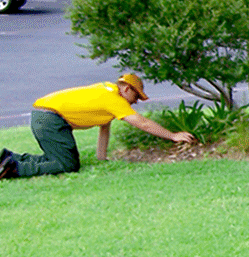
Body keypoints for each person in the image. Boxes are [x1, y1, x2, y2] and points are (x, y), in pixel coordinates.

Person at [0, 73, 195, 179]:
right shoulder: (114, 99)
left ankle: (9, 158)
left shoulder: (106, 90)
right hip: (50, 118)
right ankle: (14, 168)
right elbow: (142, 122)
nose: (136, 102)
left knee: (55, 159)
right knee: (67, 165)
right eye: (136, 96)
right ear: (126, 89)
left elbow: (104, 127)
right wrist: (173, 135)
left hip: (44, 115)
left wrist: (102, 158)